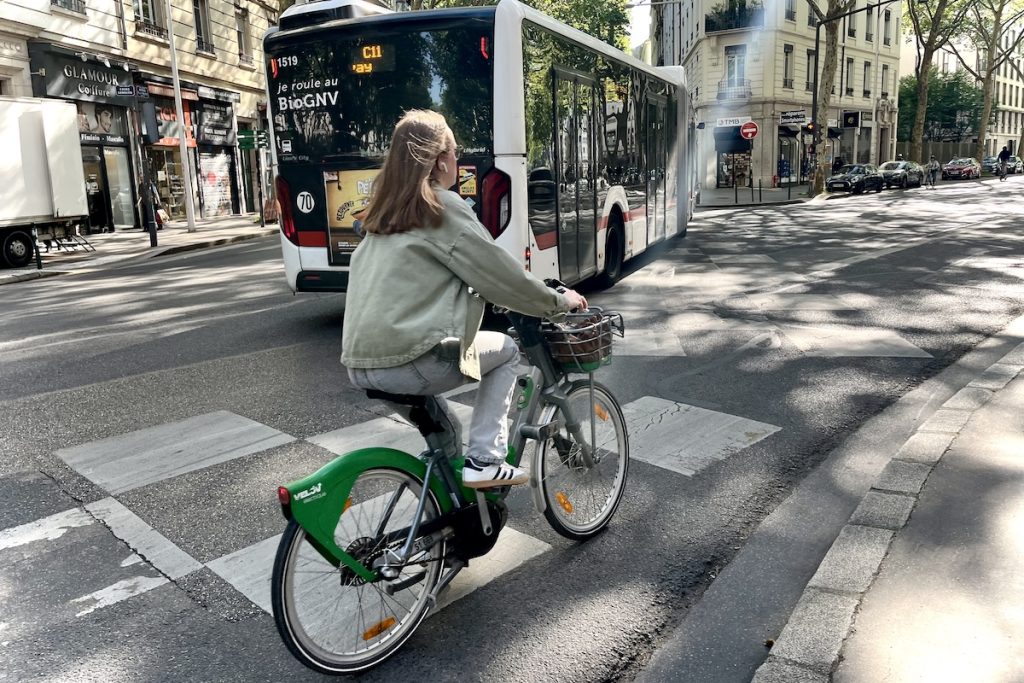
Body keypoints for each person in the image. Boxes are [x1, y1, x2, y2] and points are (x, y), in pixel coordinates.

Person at [341, 110, 587, 489]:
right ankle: (487, 460)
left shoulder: (384, 216)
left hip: (362, 362)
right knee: (504, 350)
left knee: (447, 434)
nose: (457, 161)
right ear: (441, 161)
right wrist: (557, 300)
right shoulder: (440, 207)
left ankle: (449, 530)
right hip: (411, 356)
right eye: (455, 153)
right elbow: (500, 275)